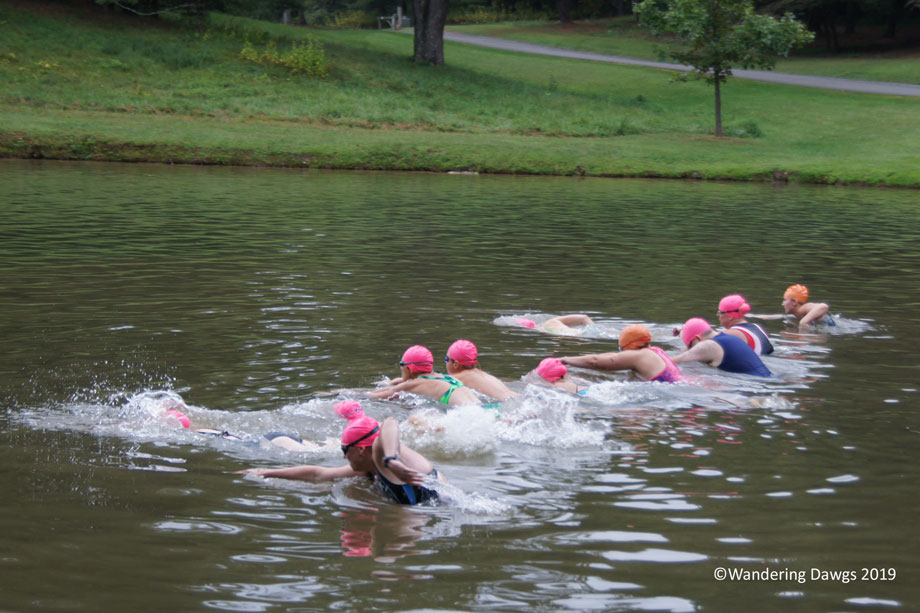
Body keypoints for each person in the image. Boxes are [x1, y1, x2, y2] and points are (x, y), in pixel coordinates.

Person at [237, 401, 444, 506]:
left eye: (345, 450)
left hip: (439, 507)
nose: (344, 456)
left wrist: (391, 460)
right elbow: (318, 474)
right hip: (433, 505)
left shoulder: (381, 456)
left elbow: (390, 423)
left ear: (360, 450)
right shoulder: (369, 468)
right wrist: (266, 472)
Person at [160, 398, 318, 450]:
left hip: (269, 442)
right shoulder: (206, 429)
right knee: (332, 450)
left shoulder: (198, 435)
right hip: (271, 438)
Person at [559, 324, 684, 383]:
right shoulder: (655, 350)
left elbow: (595, 362)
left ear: (627, 347)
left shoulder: (637, 356)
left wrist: (564, 360)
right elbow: (611, 356)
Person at [366, 345, 480, 406]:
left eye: (401, 364)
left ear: (410, 368)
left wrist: (350, 394)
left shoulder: (414, 384)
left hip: (467, 415)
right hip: (484, 410)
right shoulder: (444, 377)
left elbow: (374, 396)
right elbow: (404, 381)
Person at [673, 317, 773, 377]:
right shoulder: (730, 338)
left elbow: (669, 362)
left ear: (698, 339)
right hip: (767, 381)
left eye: (690, 346)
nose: (690, 350)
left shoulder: (707, 346)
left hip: (754, 389)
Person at [444, 339, 518, 401]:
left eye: (446, 359)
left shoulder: (457, 378)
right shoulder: (482, 375)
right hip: (518, 400)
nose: (445, 362)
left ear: (456, 364)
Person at [518, 314, 596, 336]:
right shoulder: (552, 322)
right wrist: (595, 329)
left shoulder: (545, 331)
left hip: (577, 335)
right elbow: (584, 317)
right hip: (582, 333)